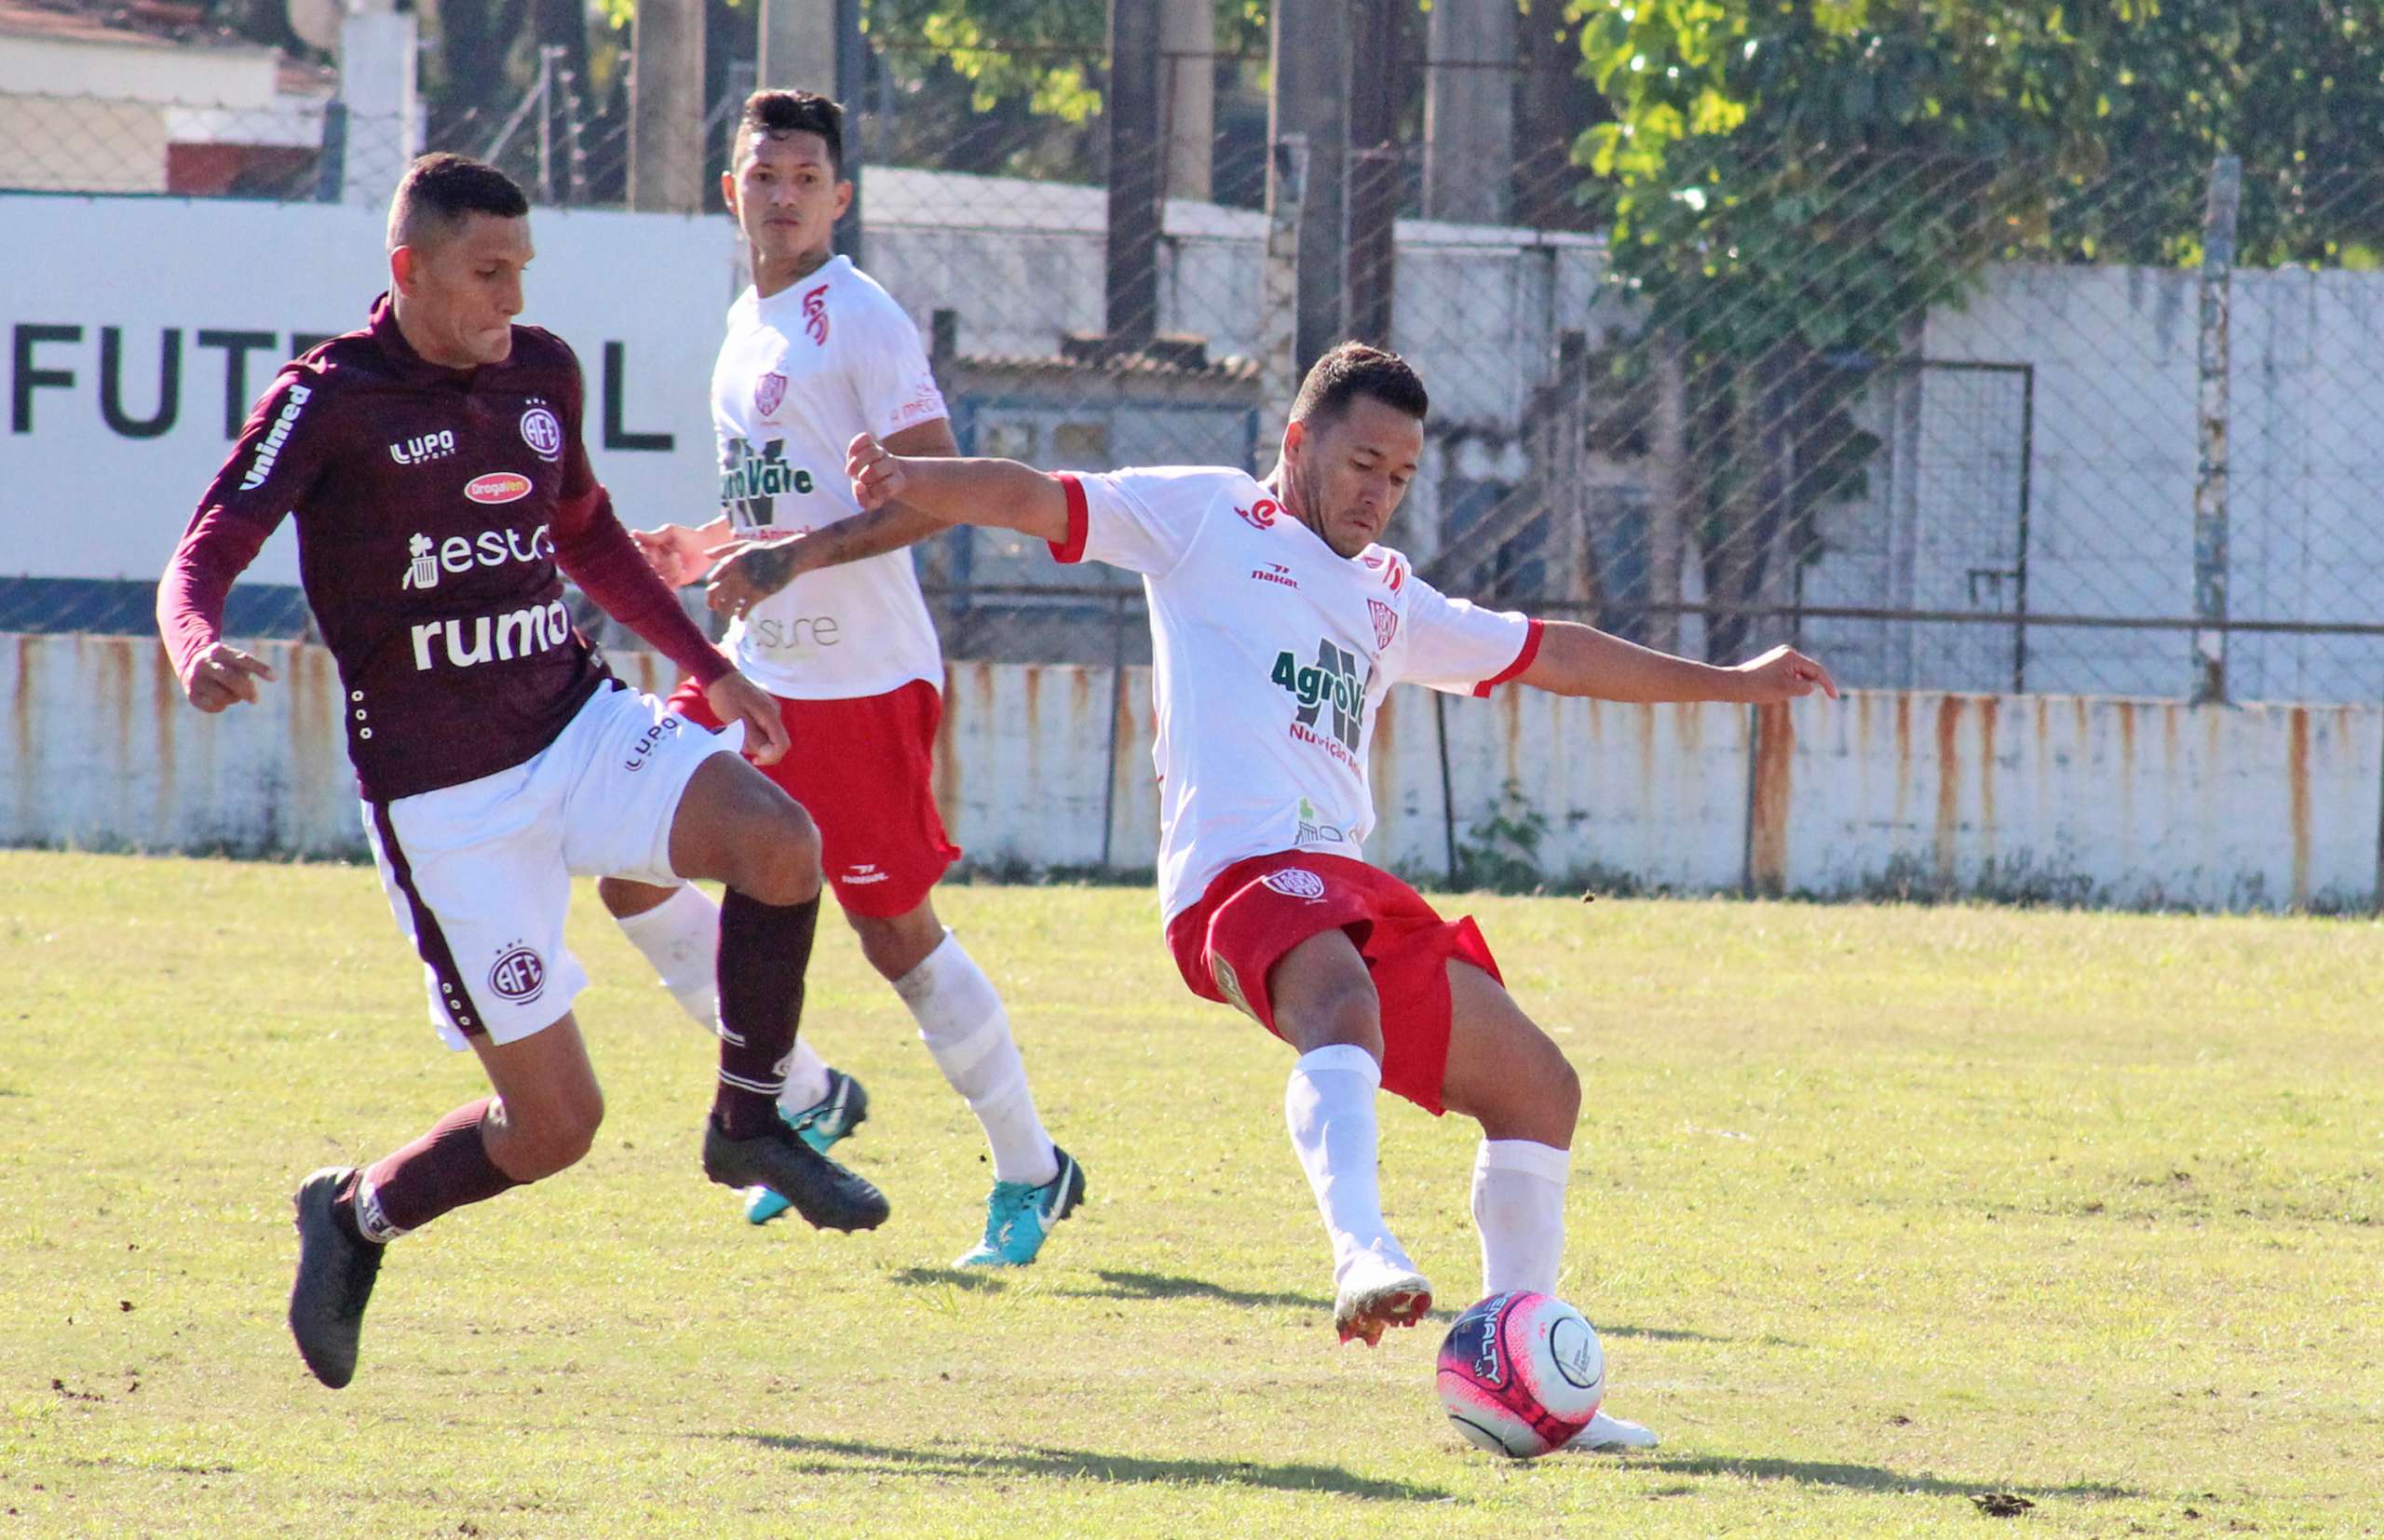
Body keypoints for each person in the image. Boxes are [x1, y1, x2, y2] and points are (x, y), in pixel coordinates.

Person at [814, 342, 1839, 1450]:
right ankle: (1360, 1249)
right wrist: (920, 480)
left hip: (1340, 885)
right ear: (1298, 443)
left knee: (1539, 1087)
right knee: (1339, 996)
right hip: (1231, 880)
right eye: (1361, 462)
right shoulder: (1207, 518)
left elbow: (1554, 653)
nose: (1378, 494)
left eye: (1400, 476)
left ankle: (1523, 1375)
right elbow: (1035, 496)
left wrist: (1730, 683)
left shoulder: (1388, 597)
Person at [156, 153, 888, 1392]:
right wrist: (194, 644)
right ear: (410, 269)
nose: (510, 297)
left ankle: (750, 1119)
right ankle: (356, 1216)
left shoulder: (540, 372)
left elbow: (588, 532)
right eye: (486, 273)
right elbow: (207, 545)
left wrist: (710, 663)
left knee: (780, 843)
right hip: (451, 807)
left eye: (521, 271)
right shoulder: (329, 398)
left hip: (576, 722)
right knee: (556, 1128)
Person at [609, 90, 1081, 1266]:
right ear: (732, 190)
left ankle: (1032, 1169)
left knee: (896, 937)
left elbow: (931, 493)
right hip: (757, 671)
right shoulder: (744, 322)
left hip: (862, 685)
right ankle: (801, 1090)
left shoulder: (857, 317)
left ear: (839, 198)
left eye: (805, 178)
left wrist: (791, 559)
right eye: (763, 175)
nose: (783, 196)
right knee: (626, 858)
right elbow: (788, 497)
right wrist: (709, 546)